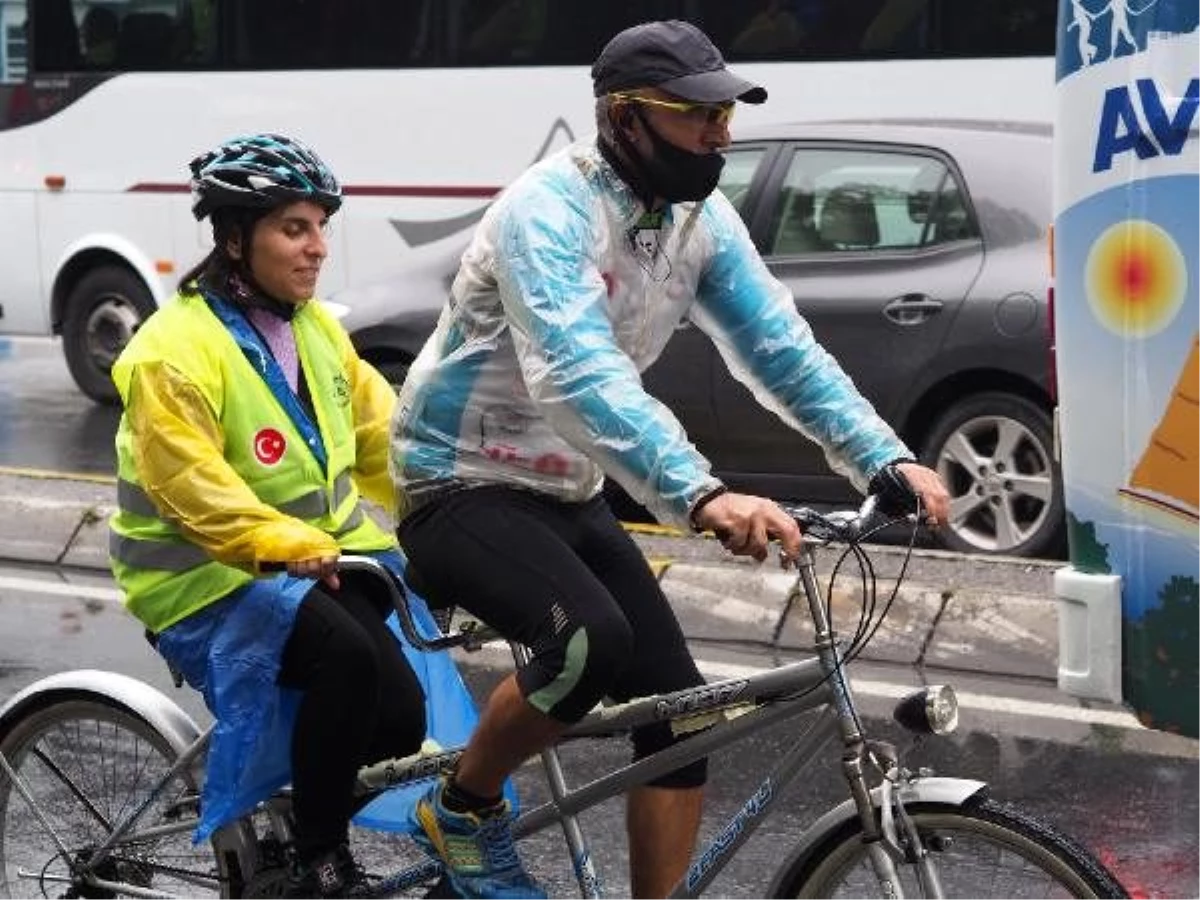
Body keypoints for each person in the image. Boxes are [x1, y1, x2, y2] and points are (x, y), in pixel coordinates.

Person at [390, 19, 951, 900]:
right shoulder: (548, 209)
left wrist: (883, 459)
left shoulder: (699, 218)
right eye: (696, 117)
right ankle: (462, 806)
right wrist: (701, 493)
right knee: (585, 643)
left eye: (724, 115)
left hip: (568, 486)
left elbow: (781, 350)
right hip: (459, 479)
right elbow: (574, 374)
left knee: (684, 722)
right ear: (624, 118)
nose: (720, 135)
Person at [108, 133, 428, 899]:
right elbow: (194, 488)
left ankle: (294, 831)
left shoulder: (313, 327)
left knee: (402, 717)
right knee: (346, 665)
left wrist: (465, 495)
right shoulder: (172, 351)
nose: (318, 248)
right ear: (232, 239)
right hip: (203, 581)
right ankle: (318, 859)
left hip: (306, 565)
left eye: (322, 227)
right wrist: (280, 541)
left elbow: (386, 437)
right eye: (295, 228)